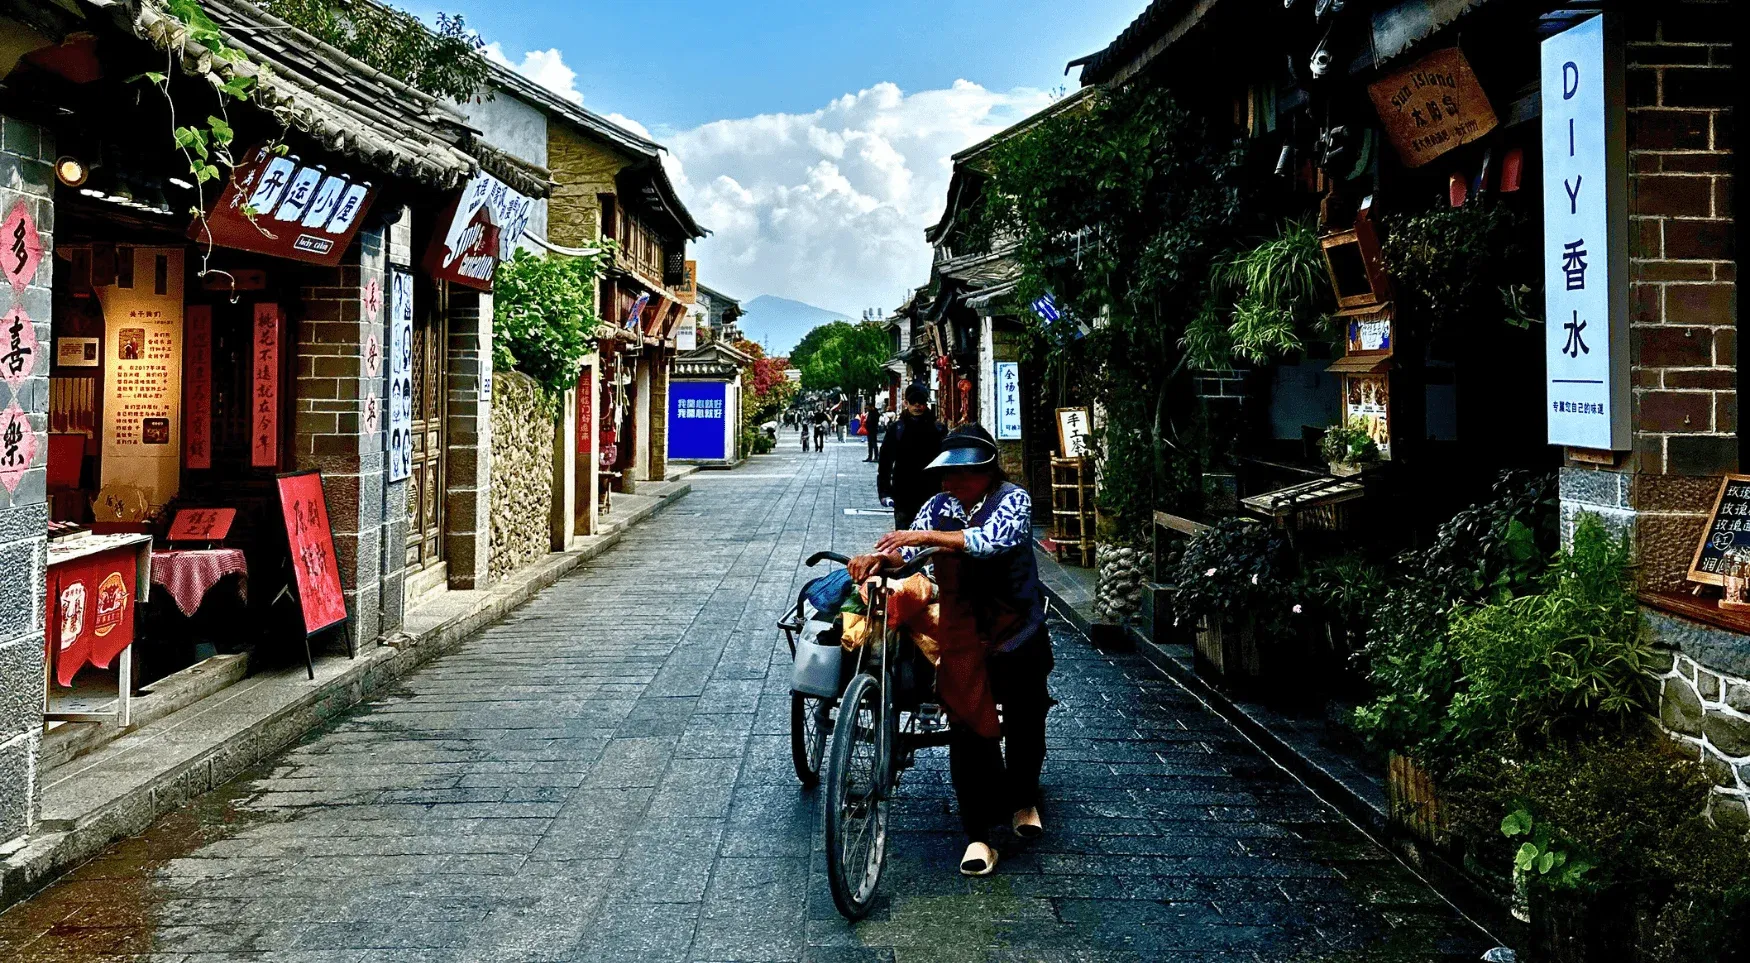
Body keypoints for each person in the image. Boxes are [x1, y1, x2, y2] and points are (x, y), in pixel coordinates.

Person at [848, 424, 1051, 878]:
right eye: (947, 475)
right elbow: (907, 550)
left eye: (962, 475)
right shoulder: (937, 506)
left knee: (1025, 711)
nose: (951, 484)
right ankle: (978, 833)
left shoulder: (1013, 499)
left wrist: (924, 539)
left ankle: (1022, 800)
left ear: (987, 471)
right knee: (964, 721)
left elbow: (986, 541)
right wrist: (879, 558)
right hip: (960, 627)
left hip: (1015, 623)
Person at [877, 383, 946, 529]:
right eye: (913, 402)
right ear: (906, 403)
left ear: (926, 404)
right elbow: (885, 462)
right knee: (904, 538)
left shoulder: (938, 429)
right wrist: (884, 491)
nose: (917, 406)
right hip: (903, 492)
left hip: (932, 491)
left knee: (930, 536)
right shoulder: (897, 429)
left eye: (921, 402)